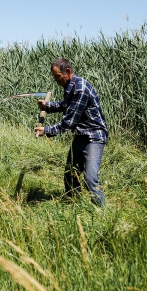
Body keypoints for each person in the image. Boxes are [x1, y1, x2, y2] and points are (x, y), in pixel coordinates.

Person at [34, 58, 108, 206]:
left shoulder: (80, 89)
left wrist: (46, 131)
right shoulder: (71, 86)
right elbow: (66, 105)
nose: (55, 80)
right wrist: (47, 106)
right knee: (70, 175)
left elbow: (69, 122)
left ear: (67, 72)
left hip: (93, 137)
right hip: (80, 136)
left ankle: (102, 212)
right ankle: (73, 206)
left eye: (57, 76)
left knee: (90, 180)